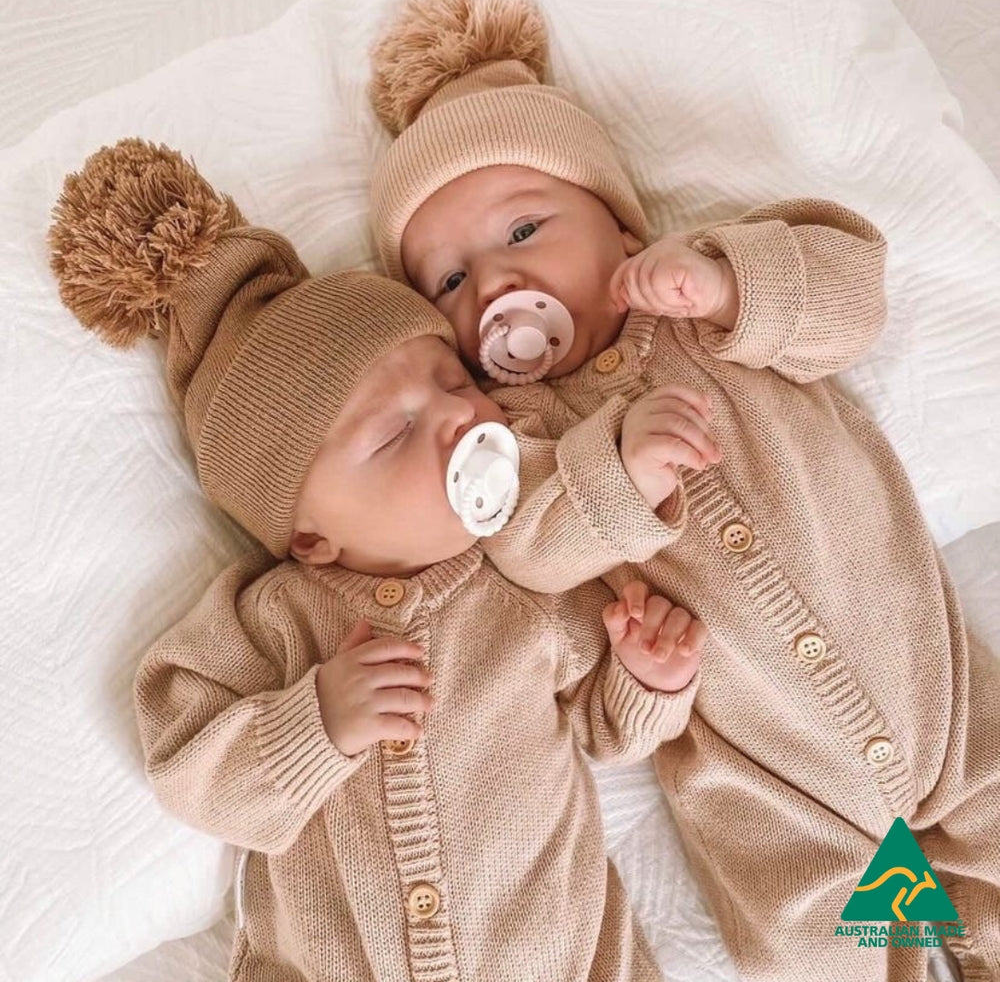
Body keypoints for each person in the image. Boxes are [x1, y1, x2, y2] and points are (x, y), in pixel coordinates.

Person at [366, 0, 1000, 980]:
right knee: (823, 951)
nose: (491, 283)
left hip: (939, 696)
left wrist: (729, 277)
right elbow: (529, 552)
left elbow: (850, 293)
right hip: (767, 792)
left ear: (620, 229)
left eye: (523, 231)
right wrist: (645, 664)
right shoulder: (513, 437)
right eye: (447, 280)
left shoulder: (707, 309)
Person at [47, 137, 711, 981]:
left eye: (459, 383)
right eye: (395, 432)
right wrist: (314, 726)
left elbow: (606, 728)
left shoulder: (527, 583)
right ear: (311, 537)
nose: (457, 421)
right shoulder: (274, 616)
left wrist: (649, 677)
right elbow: (189, 769)